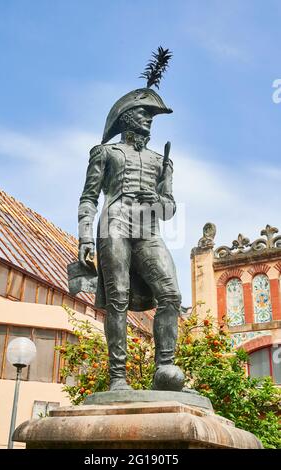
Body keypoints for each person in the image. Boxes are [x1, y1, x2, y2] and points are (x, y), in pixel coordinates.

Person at [77, 86, 185, 392]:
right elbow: (88, 198)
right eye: (143, 113)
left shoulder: (161, 161)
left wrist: (156, 197)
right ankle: (118, 378)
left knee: (171, 295)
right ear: (126, 118)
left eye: (151, 116)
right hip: (114, 223)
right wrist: (85, 236)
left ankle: (165, 368)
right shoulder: (106, 153)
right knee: (118, 299)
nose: (149, 120)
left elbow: (168, 209)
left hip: (148, 229)